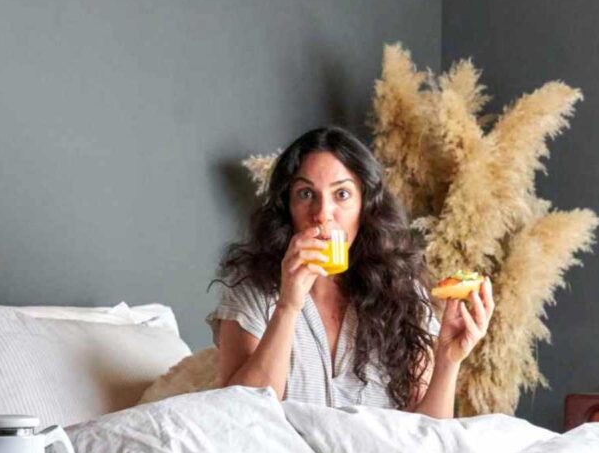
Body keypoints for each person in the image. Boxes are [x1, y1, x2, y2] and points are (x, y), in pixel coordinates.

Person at [208, 126, 493, 417]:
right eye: (306, 194)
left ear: (365, 206)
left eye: (341, 194)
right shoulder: (252, 289)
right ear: (287, 208)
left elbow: (424, 435)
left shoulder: (402, 293)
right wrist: (288, 306)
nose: (322, 213)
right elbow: (239, 417)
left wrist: (447, 360)